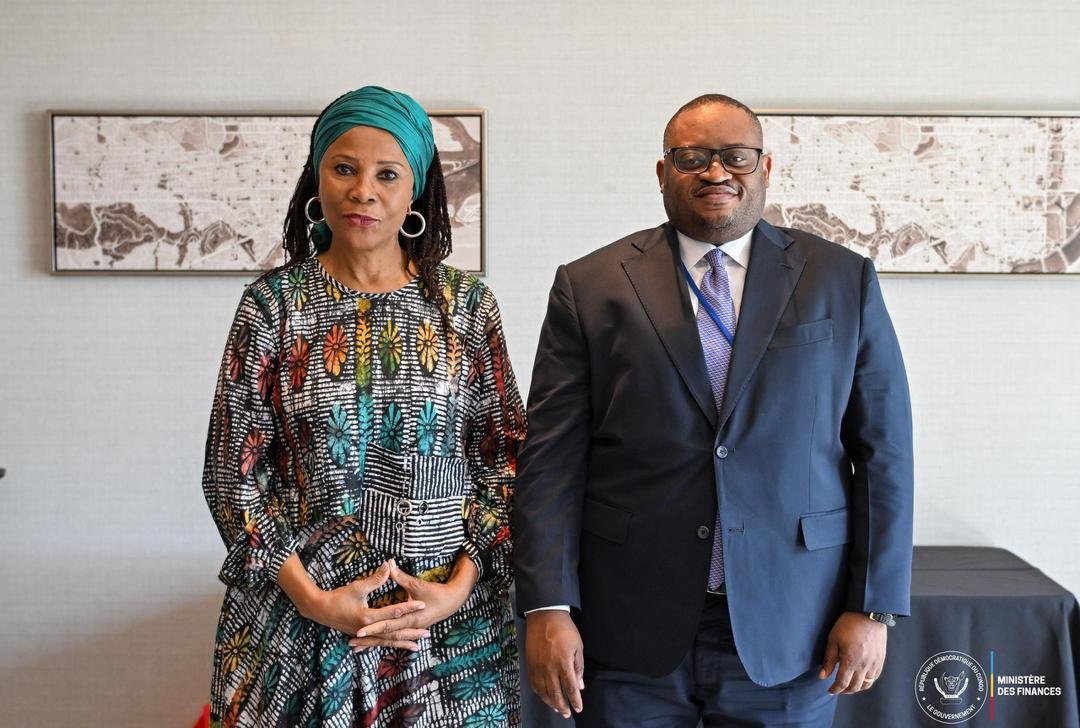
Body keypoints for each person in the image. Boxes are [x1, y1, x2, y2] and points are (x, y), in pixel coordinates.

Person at [512, 94, 914, 727]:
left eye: (735, 156)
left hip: (794, 623)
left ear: (766, 167)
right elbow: (550, 460)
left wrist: (874, 606)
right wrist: (547, 606)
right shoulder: (590, 286)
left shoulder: (842, 279)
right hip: (626, 625)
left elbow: (884, 453)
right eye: (692, 157)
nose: (716, 172)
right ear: (662, 172)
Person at [202, 86, 526, 728]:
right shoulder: (273, 306)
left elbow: (507, 460)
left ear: (416, 191)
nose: (363, 191)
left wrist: (458, 586)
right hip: (296, 624)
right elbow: (232, 474)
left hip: (446, 631)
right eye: (344, 169)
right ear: (317, 179)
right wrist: (314, 599)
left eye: (387, 174)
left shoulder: (466, 306)